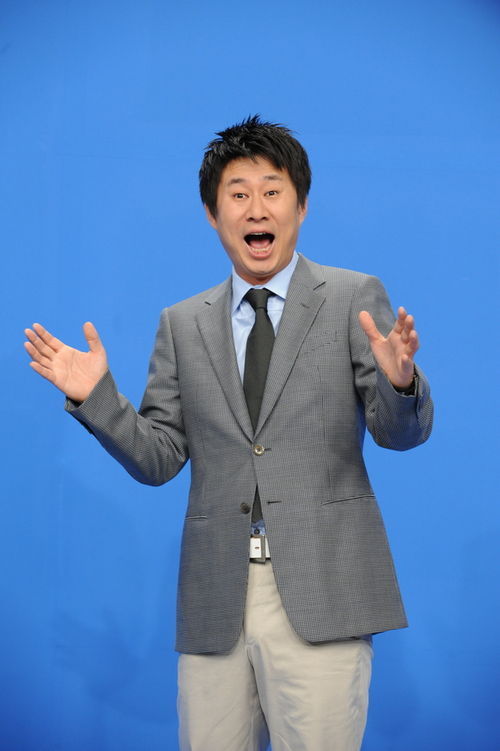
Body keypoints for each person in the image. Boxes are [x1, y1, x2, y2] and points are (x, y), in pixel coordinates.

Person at [24, 115, 433, 751]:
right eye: (237, 194)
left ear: (301, 205)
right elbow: (159, 458)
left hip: (324, 589)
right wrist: (96, 397)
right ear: (213, 215)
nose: (256, 208)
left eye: (272, 191)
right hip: (216, 597)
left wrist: (400, 384)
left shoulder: (353, 297)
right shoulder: (182, 323)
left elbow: (397, 434)